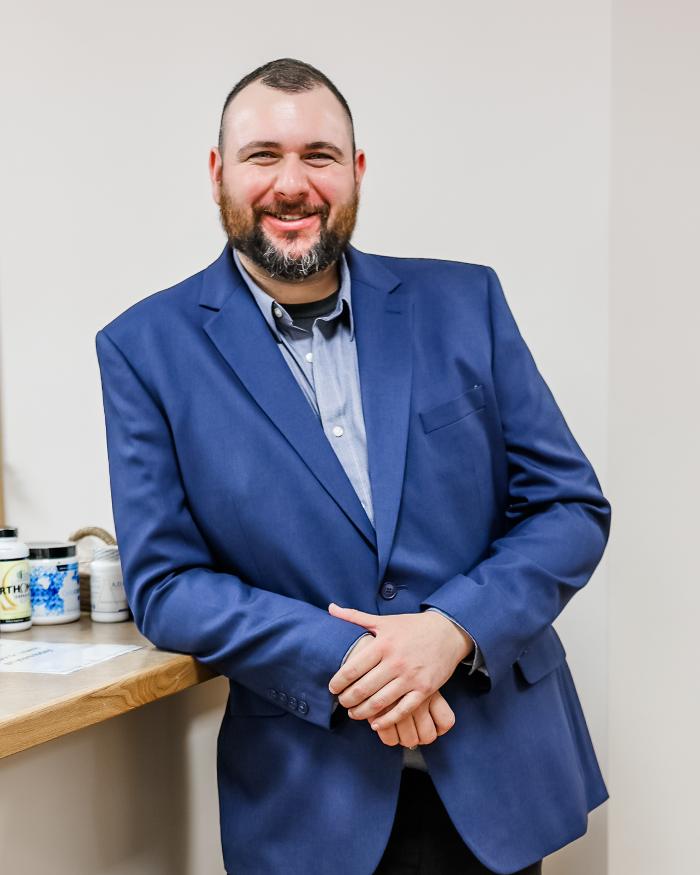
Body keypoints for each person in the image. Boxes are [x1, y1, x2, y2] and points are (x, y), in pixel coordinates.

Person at [95, 58, 611, 875]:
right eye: (262, 155)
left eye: (319, 155)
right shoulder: (142, 349)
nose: (291, 183)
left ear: (357, 170)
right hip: (308, 805)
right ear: (218, 171)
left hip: (498, 783)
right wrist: (353, 659)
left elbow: (570, 508)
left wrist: (451, 630)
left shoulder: (466, 302)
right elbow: (167, 583)